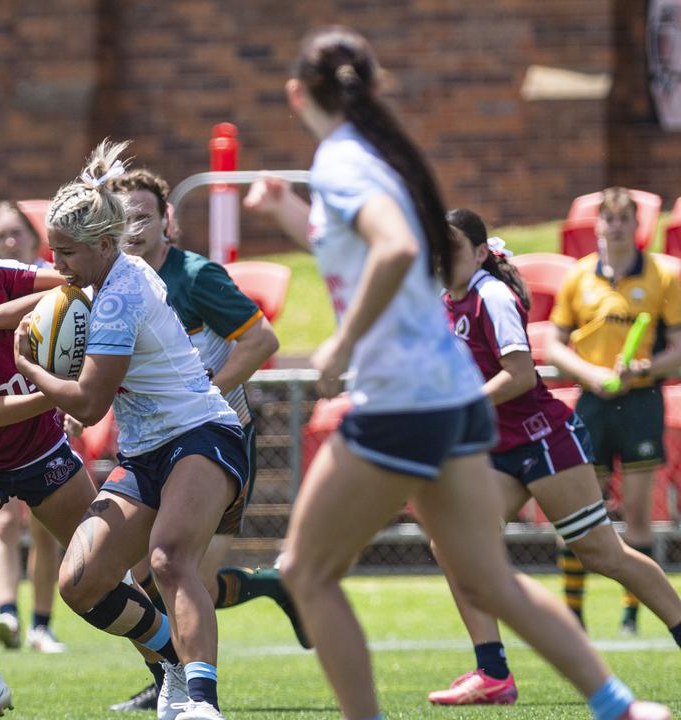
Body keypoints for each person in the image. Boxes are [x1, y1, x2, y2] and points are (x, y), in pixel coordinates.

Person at [242, 25, 671, 720]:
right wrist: (287, 212)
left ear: (296, 96)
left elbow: (394, 250)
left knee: (305, 573)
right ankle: (616, 705)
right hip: (446, 396)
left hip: (405, 398)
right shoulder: (379, 158)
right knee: (486, 576)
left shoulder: (344, 163)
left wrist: (341, 345)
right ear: (375, 89)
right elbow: (373, 252)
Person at [0, 140, 251, 720]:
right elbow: (51, 298)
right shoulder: (108, 269)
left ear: (103, 244)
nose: (57, 263)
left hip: (202, 433)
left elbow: (88, 405)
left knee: (168, 560)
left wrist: (28, 367)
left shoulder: (119, 295)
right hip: (146, 452)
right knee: (81, 581)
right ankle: (171, 663)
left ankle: (204, 705)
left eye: (65, 251)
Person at [0, 204, 180, 720]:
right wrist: (72, 393)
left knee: (105, 573)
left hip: (42, 451)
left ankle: (169, 674)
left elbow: (72, 281)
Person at [429, 208, 681, 705]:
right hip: (496, 449)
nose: (441, 257)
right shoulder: (444, 302)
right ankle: (493, 673)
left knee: (603, 554)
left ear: (480, 252)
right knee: (452, 541)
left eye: (451, 248)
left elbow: (520, 374)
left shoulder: (491, 296)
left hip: (541, 439)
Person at [101, 167, 309, 712]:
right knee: (150, 575)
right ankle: (173, 677)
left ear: (168, 219)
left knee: (178, 570)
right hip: (154, 447)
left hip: (216, 441)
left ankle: (202, 677)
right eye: (123, 216)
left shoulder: (195, 277)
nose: (134, 226)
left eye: (145, 214)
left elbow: (262, 339)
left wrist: (201, 398)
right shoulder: (113, 284)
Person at [546, 187, 681, 635]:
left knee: (638, 513)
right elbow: (553, 344)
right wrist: (588, 372)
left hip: (640, 401)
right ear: (598, 225)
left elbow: (679, 351)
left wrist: (643, 367)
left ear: (636, 226)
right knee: (580, 510)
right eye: (610, 218)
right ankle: (573, 613)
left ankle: (631, 616)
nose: (617, 226)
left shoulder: (663, 276)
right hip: (592, 403)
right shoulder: (579, 277)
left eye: (625, 218)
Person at [0, 201, 66, 653]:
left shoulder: (52, 288)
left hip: (48, 416)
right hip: (0, 417)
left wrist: (72, 400)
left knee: (47, 526)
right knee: (2, 523)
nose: (10, 243)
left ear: (34, 238)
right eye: (1, 238)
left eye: (17, 233)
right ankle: (7, 614)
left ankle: (42, 625)